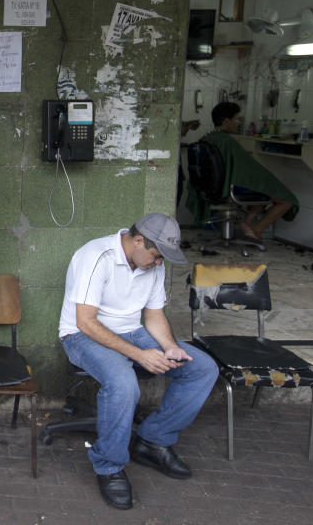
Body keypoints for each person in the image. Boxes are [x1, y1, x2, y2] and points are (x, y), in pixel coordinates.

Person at [58, 213, 218, 510]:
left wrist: (169, 347)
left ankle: (153, 441)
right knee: (123, 383)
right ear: (138, 240)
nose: (158, 263)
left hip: (134, 331)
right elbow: (86, 322)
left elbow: (154, 315)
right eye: (156, 256)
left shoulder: (151, 263)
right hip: (82, 336)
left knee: (202, 368)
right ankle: (109, 465)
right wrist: (140, 355)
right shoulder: (96, 256)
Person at [194, 102, 298, 240]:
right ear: (226, 121)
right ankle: (257, 231)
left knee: (262, 190)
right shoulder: (227, 142)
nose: (238, 123)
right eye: (236, 119)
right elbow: (248, 171)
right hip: (230, 187)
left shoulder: (209, 138)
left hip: (216, 186)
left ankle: (247, 224)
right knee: (286, 199)